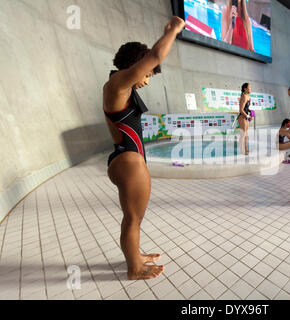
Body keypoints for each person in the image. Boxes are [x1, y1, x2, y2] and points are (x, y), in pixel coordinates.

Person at [103, 16, 186, 280]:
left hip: (128, 160)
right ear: (135, 66)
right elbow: (156, 53)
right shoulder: (117, 85)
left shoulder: (119, 86)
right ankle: (134, 269)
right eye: (147, 74)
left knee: (134, 219)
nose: (147, 81)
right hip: (128, 162)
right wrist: (173, 30)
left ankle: (135, 256)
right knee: (132, 219)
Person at [237, 83, 252, 155]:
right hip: (242, 117)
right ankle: (242, 150)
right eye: (249, 87)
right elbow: (241, 110)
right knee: (243, 134)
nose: (250, 89)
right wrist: (247, 116)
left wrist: (250, 111)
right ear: (245, 89)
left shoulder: (248, 96)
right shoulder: (243, 97)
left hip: (245, 116)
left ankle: (246, 148)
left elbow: (246, 108)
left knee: (246, 134)